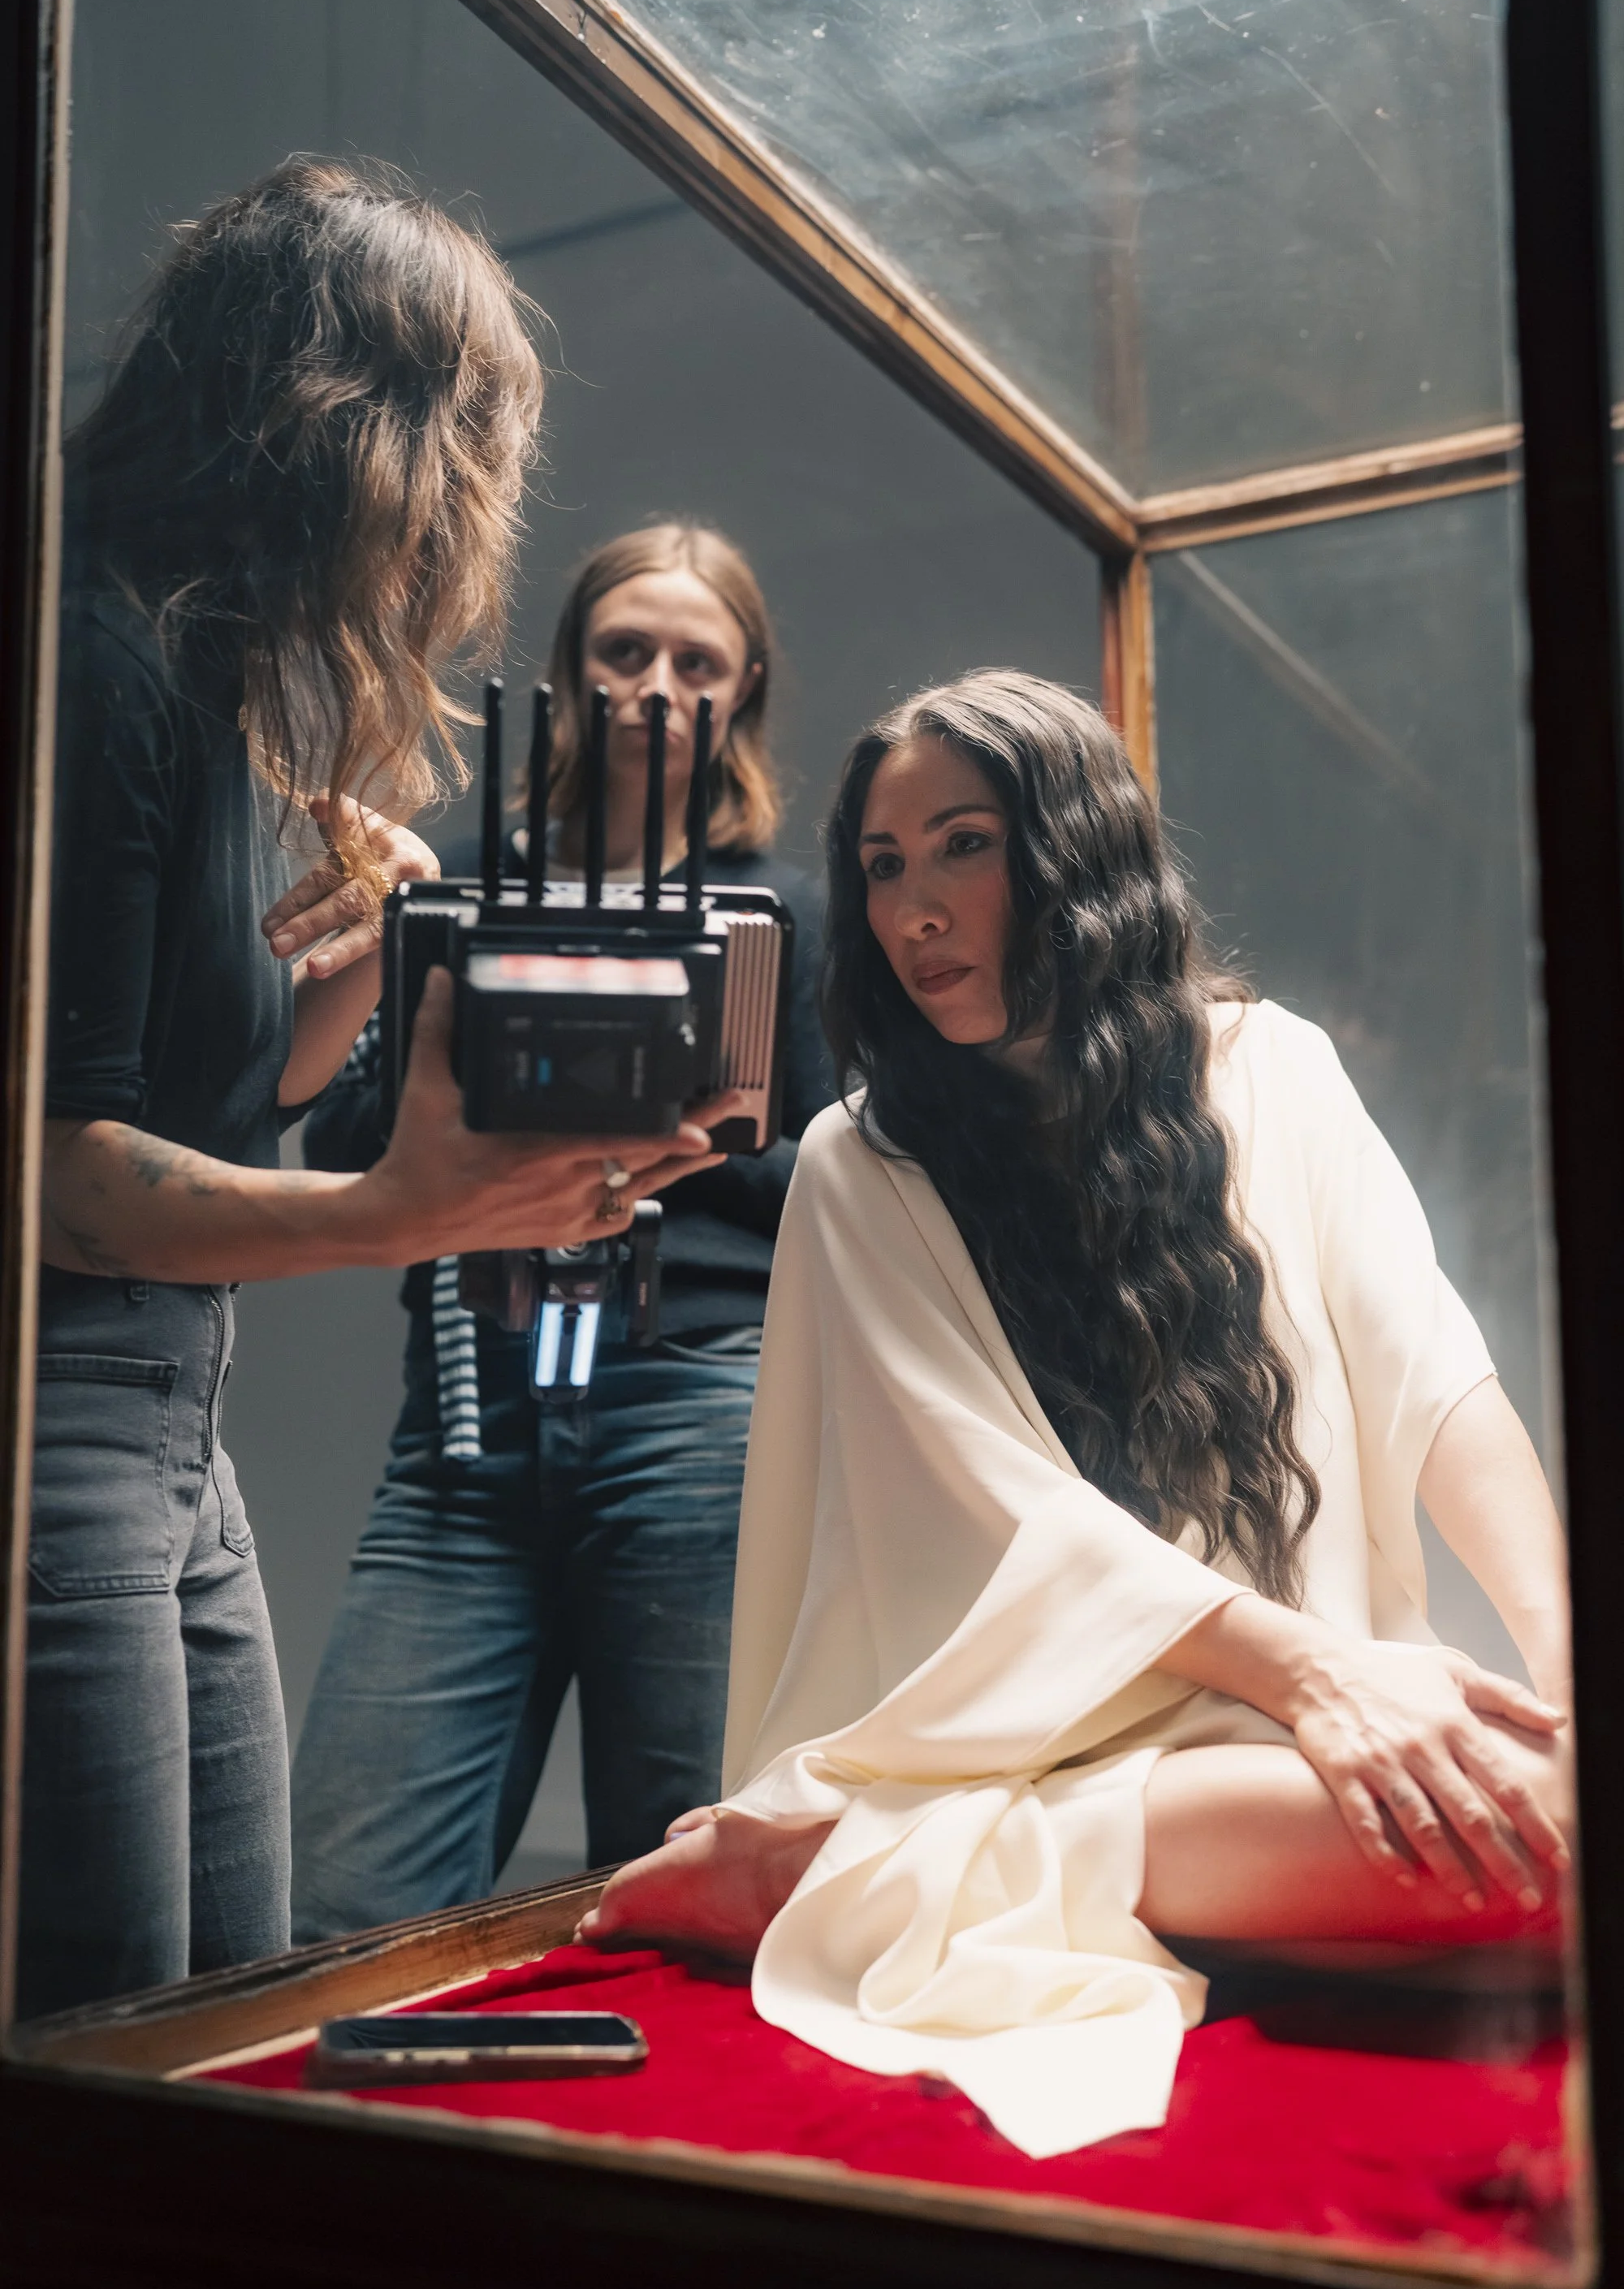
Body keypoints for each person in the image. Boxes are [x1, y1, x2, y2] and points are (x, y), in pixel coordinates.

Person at [579, 669, 1574, 2162]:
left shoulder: (1270, 1067)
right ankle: (853, 1858)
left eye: (963, 845)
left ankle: (865, 1876)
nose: (915, 909)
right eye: (884, 866)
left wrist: (1572, 1664)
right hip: (1025, 1737)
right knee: (1555, 1871)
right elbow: (1002, 1521)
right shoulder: (863, 1166)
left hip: (1271, 1719)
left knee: (1569, 1835)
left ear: (1073, 851)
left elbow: (1435, 1378)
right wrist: (1317, 1682)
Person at [21, 165, 733, 2021]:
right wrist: (395, 1218)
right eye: (472, 433)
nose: (473, 501)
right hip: (66, 1415)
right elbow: (61, 1172)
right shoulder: (98, 660)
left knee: (227, 2000)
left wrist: (353, 970)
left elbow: (223, 1106)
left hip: (179, 1420)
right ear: (358, 417)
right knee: (108, 2039)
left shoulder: (194, 678)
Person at [288, 523, 830, 1938]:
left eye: (694, 661)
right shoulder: (451, 881)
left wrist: (674, 1140)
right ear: (573, 671)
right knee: (343, 1906)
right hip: (471, 1407)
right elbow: (349, 1148)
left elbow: (839, 1192)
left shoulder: (783, 917)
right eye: (624, 651)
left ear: (743, 691)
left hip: (696, 1407)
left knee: (683, 1875)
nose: (656, 686)